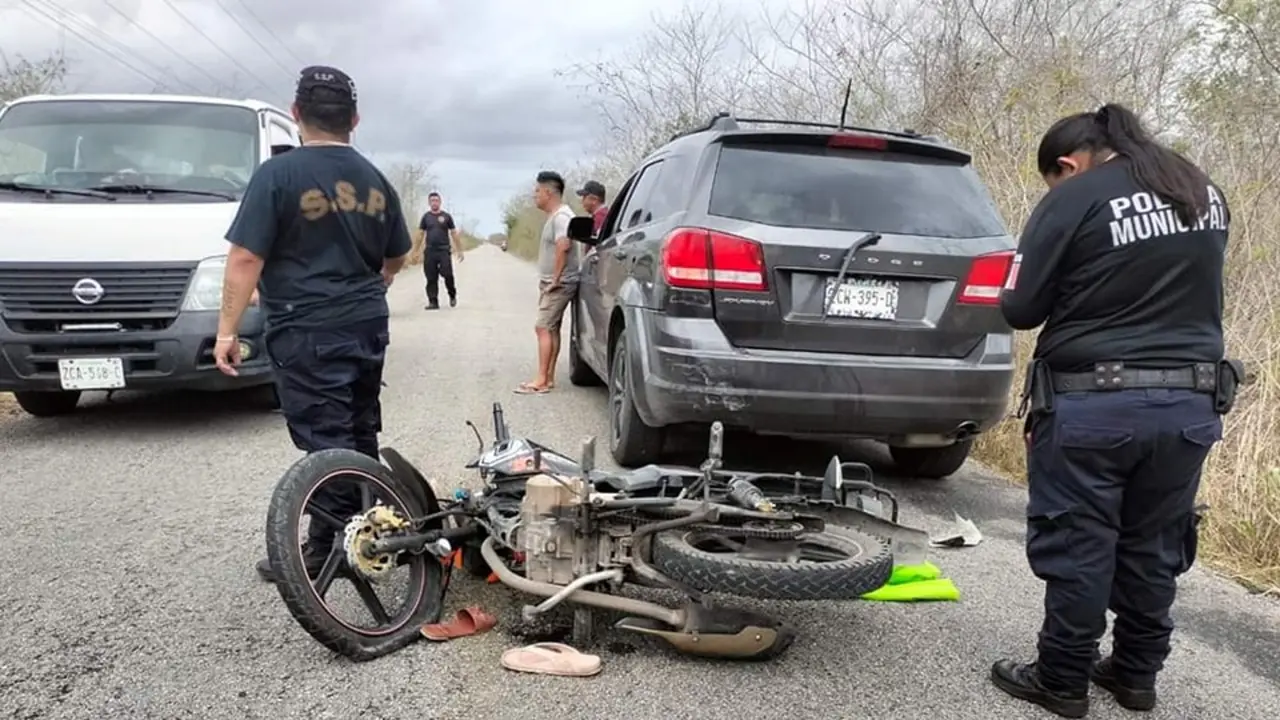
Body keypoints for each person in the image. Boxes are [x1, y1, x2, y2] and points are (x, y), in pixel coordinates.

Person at [991, 103, 1236, 718]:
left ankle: (1063, 679)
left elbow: (1019, 306)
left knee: (1080, 541)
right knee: (1155, 543)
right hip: (1190, 404)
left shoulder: (1078, 196)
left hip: (1094, 404)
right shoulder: (1199, 189)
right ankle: (1134, 676)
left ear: (1068, 164)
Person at [211, 65, 412, 583]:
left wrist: (227, 331)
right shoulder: (374, 177)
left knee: (327, 439)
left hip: (307, 327)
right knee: (358, 428)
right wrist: (375, 283)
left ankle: (331, 547)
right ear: (355, 119)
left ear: (297, 114)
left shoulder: (277, 176)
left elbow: (244, 259)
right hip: (367, 321)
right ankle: (369, 529)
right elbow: (397, 254)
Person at [515, 170, 579, 394]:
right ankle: (548, 378)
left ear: (548, 193)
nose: (535, 195)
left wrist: (556, 279)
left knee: (542, 327)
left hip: (559, 283)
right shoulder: (556, 215)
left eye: (537, 191)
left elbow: (564, 245)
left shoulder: (561, 217)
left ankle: (541, 380)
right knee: (551, 329)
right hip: (555, 281)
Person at [419, 191, 463, 309]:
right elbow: (420, 234)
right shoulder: (426, 217)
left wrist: (460, 250)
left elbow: (454, 233)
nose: (434, 203)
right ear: (429, 203)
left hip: (443, 251)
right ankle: (433, 301)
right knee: (431, 277)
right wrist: (415, 251)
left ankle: (452, 294)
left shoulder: (447, 217)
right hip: (430, 251)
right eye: (432, 201)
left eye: (436, 200)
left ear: (440, 202)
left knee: (447, 274)